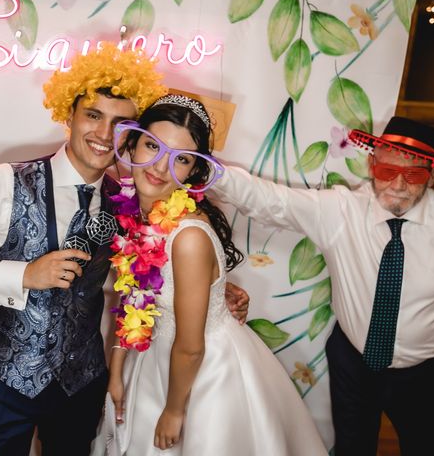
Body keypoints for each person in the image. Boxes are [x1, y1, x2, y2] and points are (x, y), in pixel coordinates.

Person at [0, 44, 249, 456]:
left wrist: (220, 293)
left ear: (132, 137)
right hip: (4, 384)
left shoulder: (129, 201)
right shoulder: (2, 181)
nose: (102, 133)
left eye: (120, 124)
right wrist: (23, 275)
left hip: (81, 387)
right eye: (93, 115)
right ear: (69, 114)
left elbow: (157, 271)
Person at [209, 116, 434, 456]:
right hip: (354, 363)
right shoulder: (341, 210)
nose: (398, 184)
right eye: (387, 171)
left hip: (431, 372)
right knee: (352, 449)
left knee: (429, 448)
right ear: (372, 164)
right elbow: (270, 201)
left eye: (413, 175)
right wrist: (204, 170)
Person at [99, 94, 327, 456]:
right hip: (156, 358)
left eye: (182, 159)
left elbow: (190, 346)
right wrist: (117, 368)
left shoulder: (188, 237)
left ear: (194, 171)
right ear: (133, 142)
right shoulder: (137, 215)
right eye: (152, 146)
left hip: (201, 371)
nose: (159, 167)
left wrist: (174, 411)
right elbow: (135, 298)